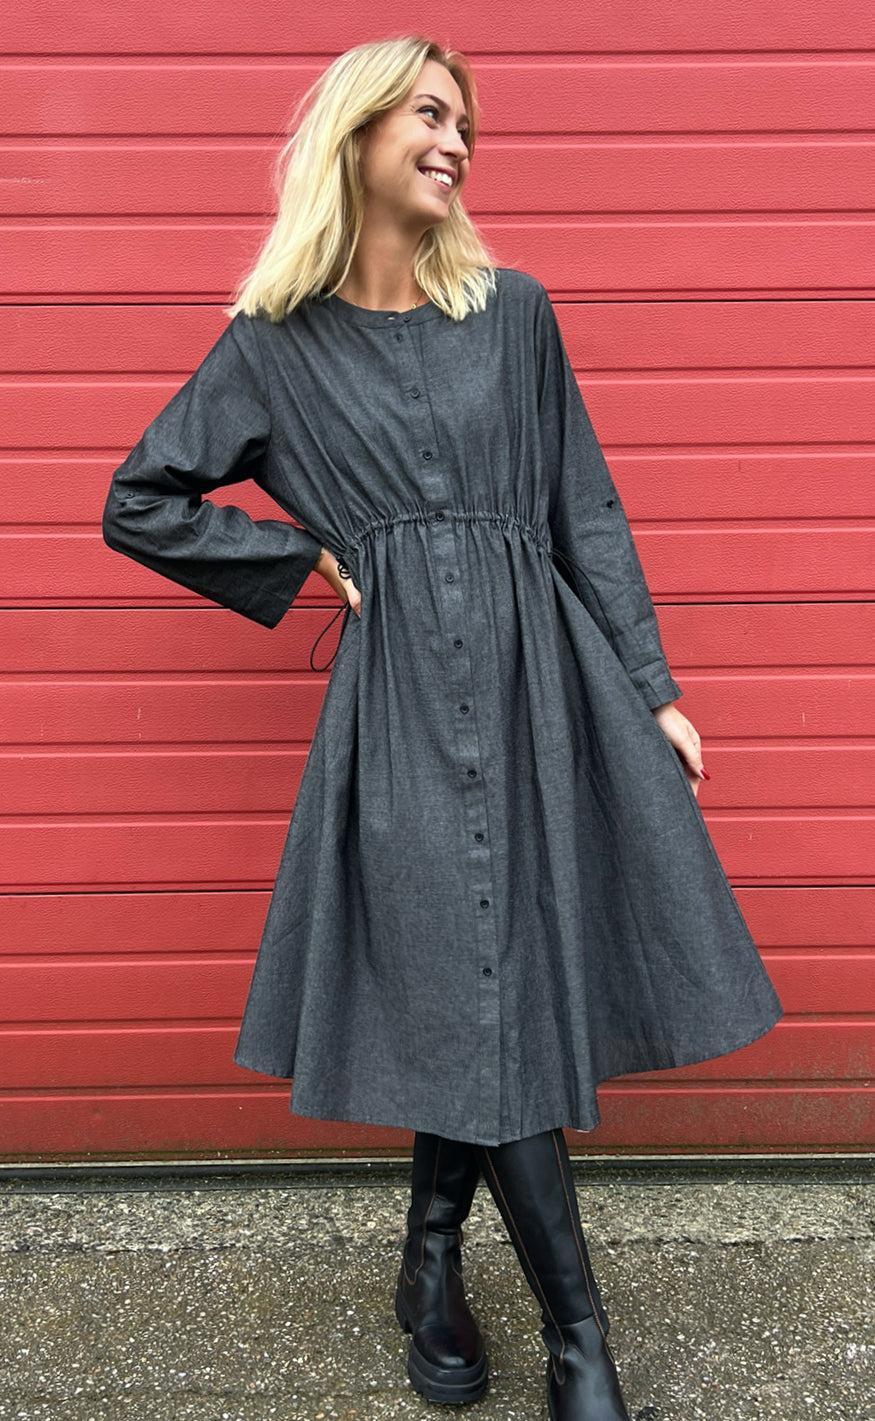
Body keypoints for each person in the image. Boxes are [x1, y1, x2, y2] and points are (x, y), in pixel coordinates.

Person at [101, 34, 784, 1419]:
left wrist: (651, 689)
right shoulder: (274, 347)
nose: (456, 142)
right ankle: (579, 1341)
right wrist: (303, 559)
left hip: (544, 688)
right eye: (428, 114)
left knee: (490, 984)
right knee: (473, 981)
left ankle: (431, 1267)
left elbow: (584, 507)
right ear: (357, 135)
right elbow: (141, 499)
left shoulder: (514, 313)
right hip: (403, 705)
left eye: (466, 122)